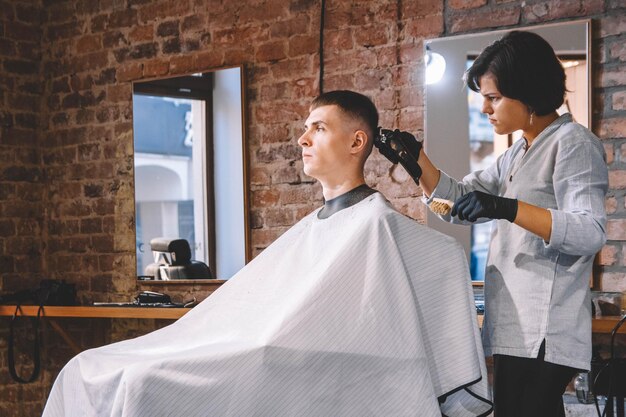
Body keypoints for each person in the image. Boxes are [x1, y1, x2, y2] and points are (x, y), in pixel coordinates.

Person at [43, 90, 492, 417]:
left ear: (358, 143)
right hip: (265, 350)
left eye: (318, 128)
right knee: (87, 366)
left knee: (141, 385)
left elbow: (439, 262)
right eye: (304, 129)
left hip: (291, 362)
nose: (302, 139)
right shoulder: (316, 229)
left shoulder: (376, 226)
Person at [376, 31, 608, 417]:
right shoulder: (518, 152)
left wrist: (506, 206)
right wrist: (417, 161)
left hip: (545, 329)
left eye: (494, 98)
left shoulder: (573, 143)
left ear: (528, 91)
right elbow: (457, 201)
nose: (485, 108)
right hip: (514, 325)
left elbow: (589, 231)